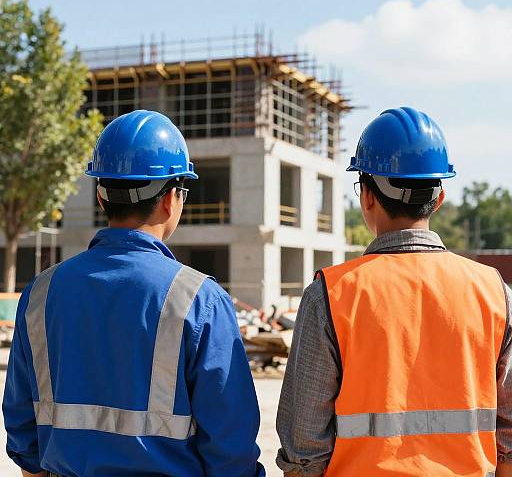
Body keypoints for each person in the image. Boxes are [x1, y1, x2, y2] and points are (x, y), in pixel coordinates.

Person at [3, 110, 265, 477]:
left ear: (101, 197)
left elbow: (21, 426)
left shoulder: (41, 293)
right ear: (172, 199)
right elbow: (230, 445)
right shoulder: (199, 299)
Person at [276, 106, 512, 477]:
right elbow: (509, 440)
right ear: (439, 197)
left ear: (367, 197)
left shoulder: (331, 295)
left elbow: (303, 447)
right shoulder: (494, 293)